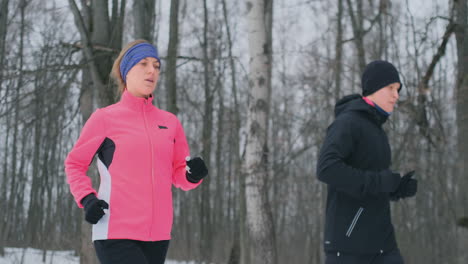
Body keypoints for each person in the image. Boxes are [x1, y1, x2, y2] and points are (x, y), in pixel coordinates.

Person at [65, 39, 208, 264]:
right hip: (115, 231)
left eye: (156, 66)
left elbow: (178, 173)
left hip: (158, 235)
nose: (152, 70)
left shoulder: (169, 122)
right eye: (143, 64)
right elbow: (75, 164)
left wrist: (192, 175)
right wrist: (87, 198)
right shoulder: (105, 118)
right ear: (126, 72)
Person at [316, 60, 418, 264]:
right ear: (373, 88)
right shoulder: (348, 122)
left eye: (397, 90)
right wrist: (381, 182)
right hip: (349, 246)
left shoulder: (376, 128)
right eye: (390, 88)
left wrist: (396, 188)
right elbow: (327, 168)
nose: (396, 96)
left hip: (382, 243)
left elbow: (370, 180)